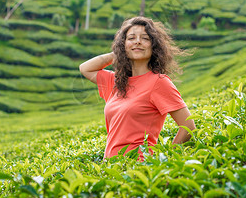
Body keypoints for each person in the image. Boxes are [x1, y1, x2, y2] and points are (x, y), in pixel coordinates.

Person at [79, 16, 195, 159]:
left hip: (137, 169)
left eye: (145, 39)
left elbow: (188, 126)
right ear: (123, 44)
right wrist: (117, 54)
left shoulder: (159, 82)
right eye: (131, 38)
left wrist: (166, 161)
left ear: (154, 47)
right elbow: (85, 68)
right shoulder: (117, 82)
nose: (138, 41)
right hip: (111, 169)